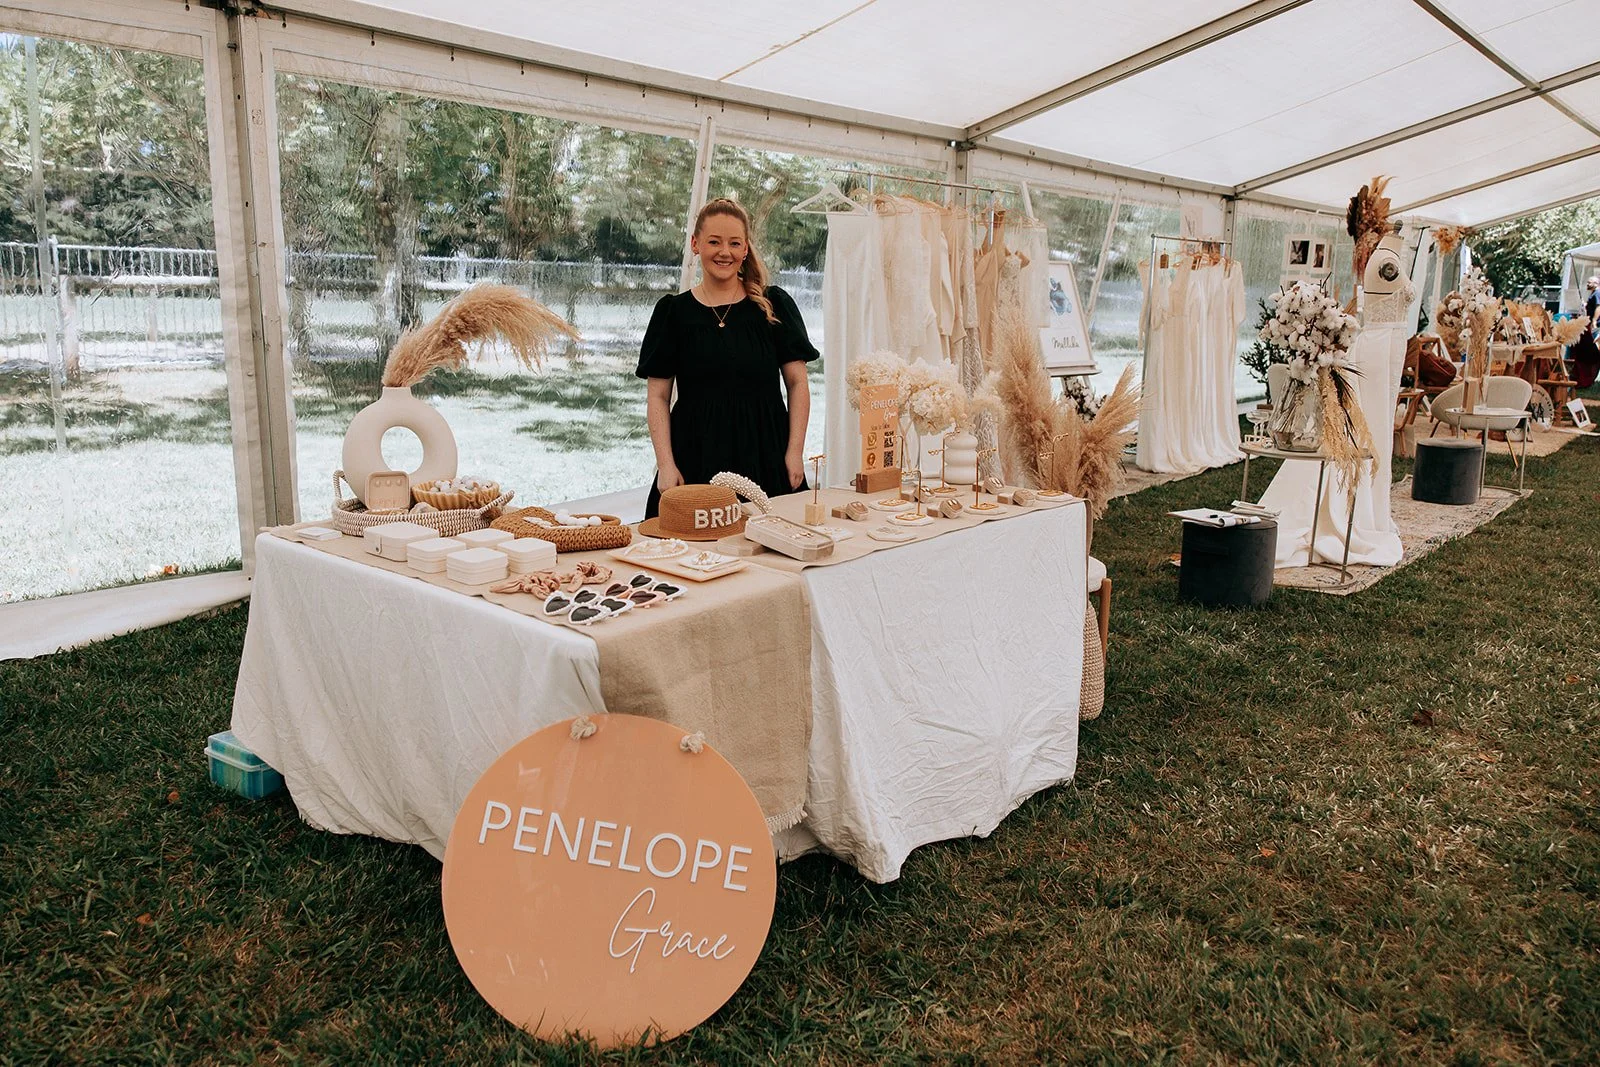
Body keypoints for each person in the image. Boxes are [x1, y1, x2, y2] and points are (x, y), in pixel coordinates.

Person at [636, 198, 818, 519]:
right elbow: (658, 396)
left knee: (775, 552)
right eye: (714, 242)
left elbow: (798, 384)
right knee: (689, 555)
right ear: (695, 244)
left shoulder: (773, 305)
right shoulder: (672, 313)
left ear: (745, 249)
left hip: (767, 454)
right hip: (696, 456)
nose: (725, 252)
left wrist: (794, 452)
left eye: (735, 243)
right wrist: (666, 464)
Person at [1572, 275, 1600, 389]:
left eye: (1590, 282)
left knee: (1594, 351)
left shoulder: (1598, 293)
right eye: (1587, 282)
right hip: (1592, 324)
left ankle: (1591, 378)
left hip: (1596, 325)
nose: (1587, 284)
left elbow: (1598, 307)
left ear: (1596, 283)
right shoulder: (1593, 294)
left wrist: (1594, 320)